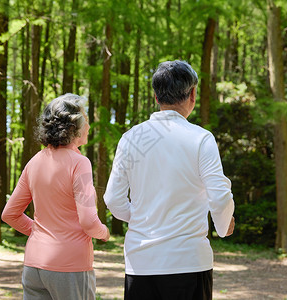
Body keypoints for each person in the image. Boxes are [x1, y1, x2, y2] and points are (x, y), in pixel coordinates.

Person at [104, 60, 235, 300]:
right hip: (188, 261)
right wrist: (224, 227)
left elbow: (112, 198)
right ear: (192, 94)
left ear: (156, 96)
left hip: (140, 262)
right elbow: (220, 195)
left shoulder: (132, 138)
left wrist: (141, 218)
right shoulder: (201, 138)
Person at [2, 93, 110, 300]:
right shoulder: (80, 163)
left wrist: (40, 233)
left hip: (34, 266)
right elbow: (88, 222)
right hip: (70, 267)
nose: (89, 125)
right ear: (74, 127)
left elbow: (10, 214)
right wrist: (104, 233)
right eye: (86, 119)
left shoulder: (34, 161)